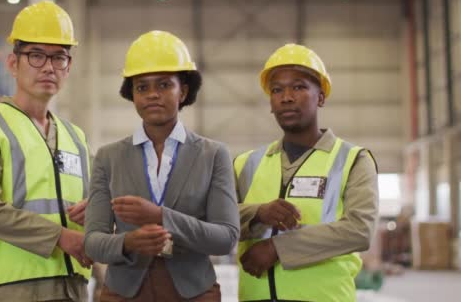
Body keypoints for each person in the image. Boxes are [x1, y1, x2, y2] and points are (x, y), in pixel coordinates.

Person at [83, 30, 240, 302]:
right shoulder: (108, 158)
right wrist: (128, 242)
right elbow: (93, 242)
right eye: (142, 87)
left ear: (184, 91)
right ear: (132, 95)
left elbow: (225, 237)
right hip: (124, 293)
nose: (153, 95)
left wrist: (160, 216)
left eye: (165, 85)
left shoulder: (213, 155)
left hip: (194, 293)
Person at [0, 1, 92, 302]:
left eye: (59, 58)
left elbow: (96, 203)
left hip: (74, 288)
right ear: (13, 63)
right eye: (36, 55)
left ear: (68, 67)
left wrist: (95, 211)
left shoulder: (75, 137)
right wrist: (60, 237)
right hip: (15, 289)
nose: (48, 66)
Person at [235, 43, 378, 302]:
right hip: (255, 296)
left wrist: (277, 248)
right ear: (270, 102)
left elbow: (360, 230)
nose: (286, 97)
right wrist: (258, 212)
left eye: (298, 87)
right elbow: (217, 221)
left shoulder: (353, 160)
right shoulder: (246, 164)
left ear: (321, 97)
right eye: (277, 90)